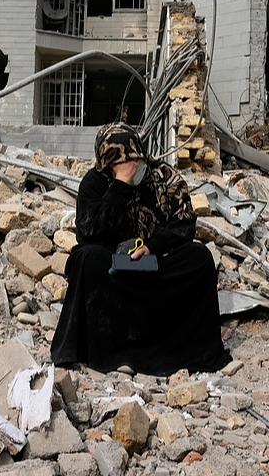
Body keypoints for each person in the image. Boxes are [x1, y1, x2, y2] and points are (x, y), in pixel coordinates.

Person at [50, 122, 230, 375]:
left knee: (199, 257)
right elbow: (88, 232)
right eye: (118, 165)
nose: (128, 168)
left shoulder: (165, 178)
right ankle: (107, 351)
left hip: (156, 269)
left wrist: (152, 247)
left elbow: (185, 225)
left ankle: (183, 350)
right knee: (86, 257)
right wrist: (121, 185)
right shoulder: (95, 182)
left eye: (132, 163)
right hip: (116, 274)